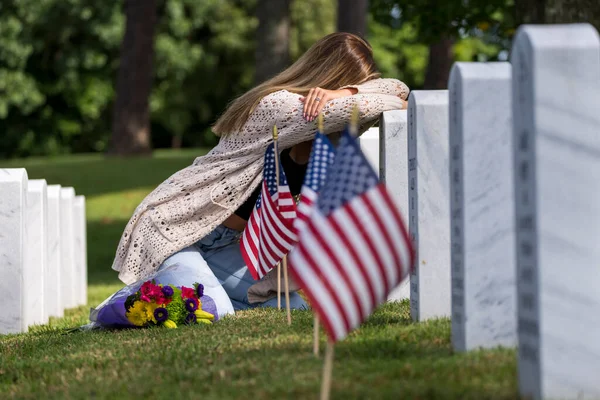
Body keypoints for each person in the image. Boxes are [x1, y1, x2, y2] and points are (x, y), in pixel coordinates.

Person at [110, 32, 409, 312]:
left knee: (293, 308)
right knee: (216, 312)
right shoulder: (281, 106)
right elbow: (372, 105)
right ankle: (149, 296)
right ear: (326, 77)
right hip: (177, 232)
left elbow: (400, 90)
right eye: (352, 84)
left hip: (227, 246)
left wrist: (346, 90)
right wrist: (344, 97)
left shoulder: (323, 130)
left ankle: (180, 289)